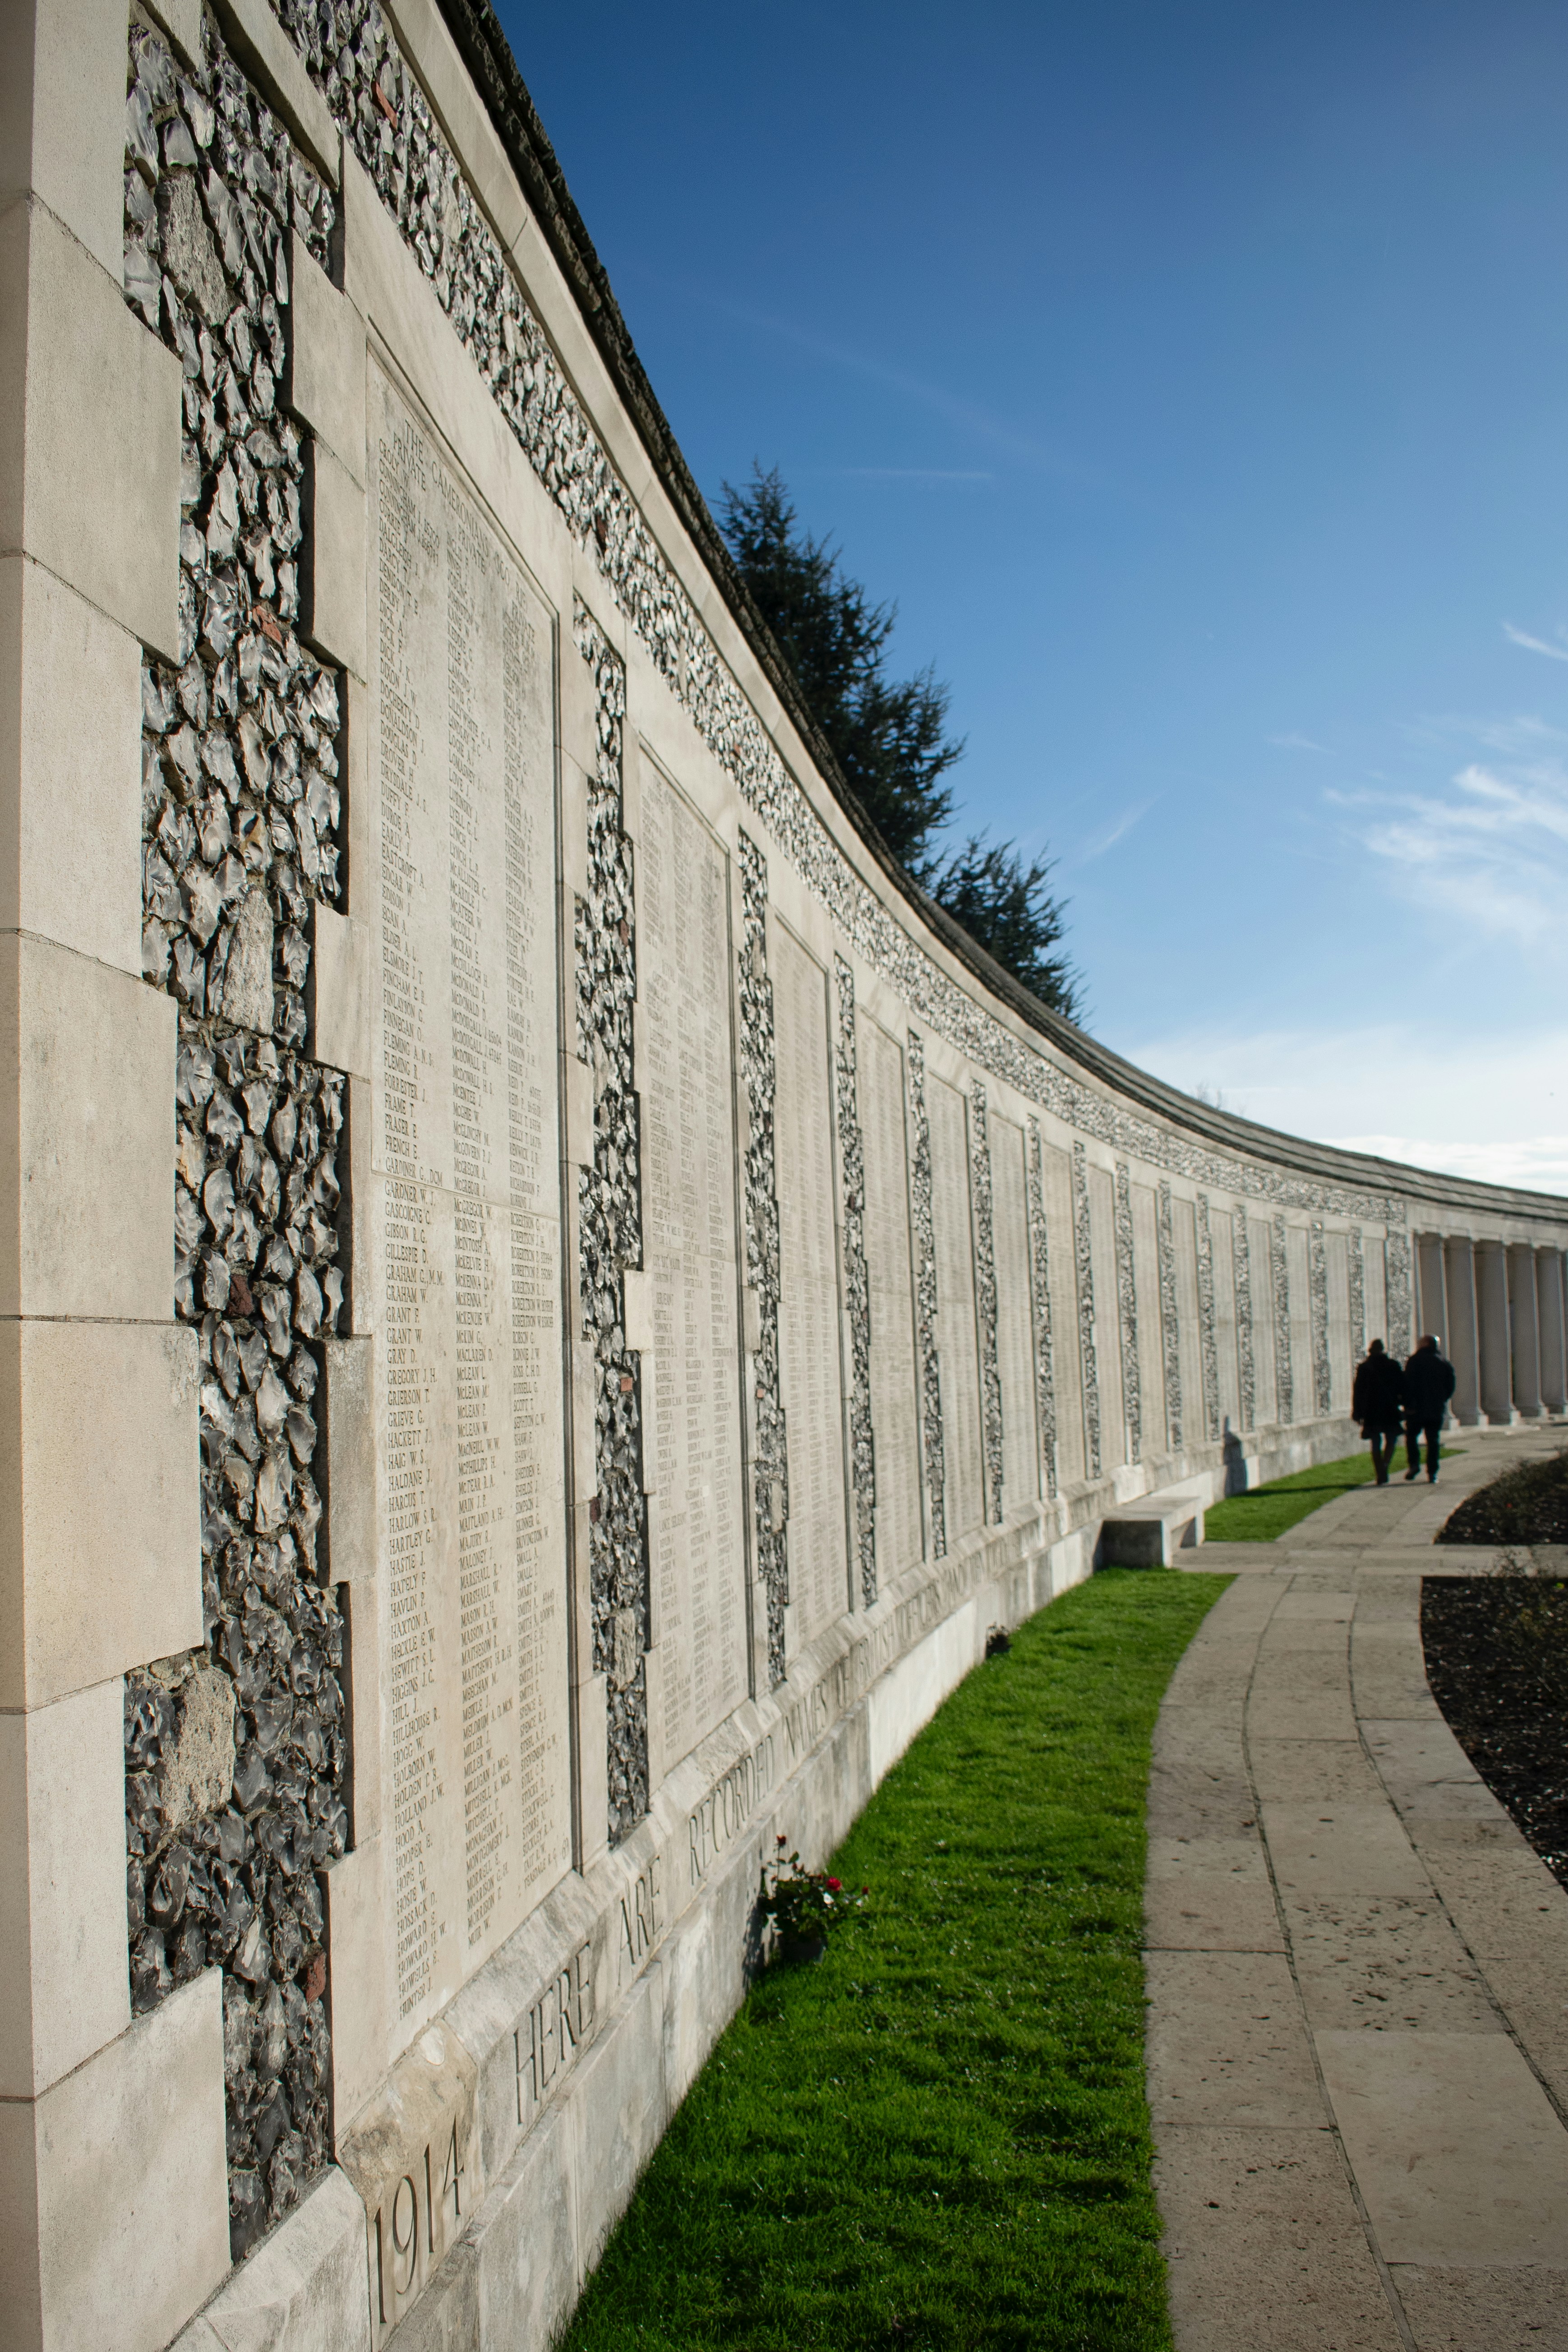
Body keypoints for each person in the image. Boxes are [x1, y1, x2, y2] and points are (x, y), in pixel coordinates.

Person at [1403, 1334, 1457, 1483]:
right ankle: (1433, 1473)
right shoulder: (1443, 1363)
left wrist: (1408, 1404)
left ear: (1426, 1344)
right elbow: (1451, 1384)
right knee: (1433, 1441)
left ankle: (1414, 1464)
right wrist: (1442, 1399)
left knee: (1412, 1437)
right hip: (1435, 1408)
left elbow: (1407, 1384)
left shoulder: (1415, 1361)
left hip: (1416, 1408)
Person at [1352, 1339, 1406, 1485]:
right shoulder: (1393, 1365)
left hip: (1372, 1410)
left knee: (1376, 1442)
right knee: (1391, 1440)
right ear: (1383, 1350)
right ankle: (1385, 1466)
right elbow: (1402, 1387)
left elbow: (1358, 1392)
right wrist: (1404, 1404)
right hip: (1389, 1408)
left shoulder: (1364, 1368)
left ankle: (1380, 1471)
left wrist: (1358, 1413)